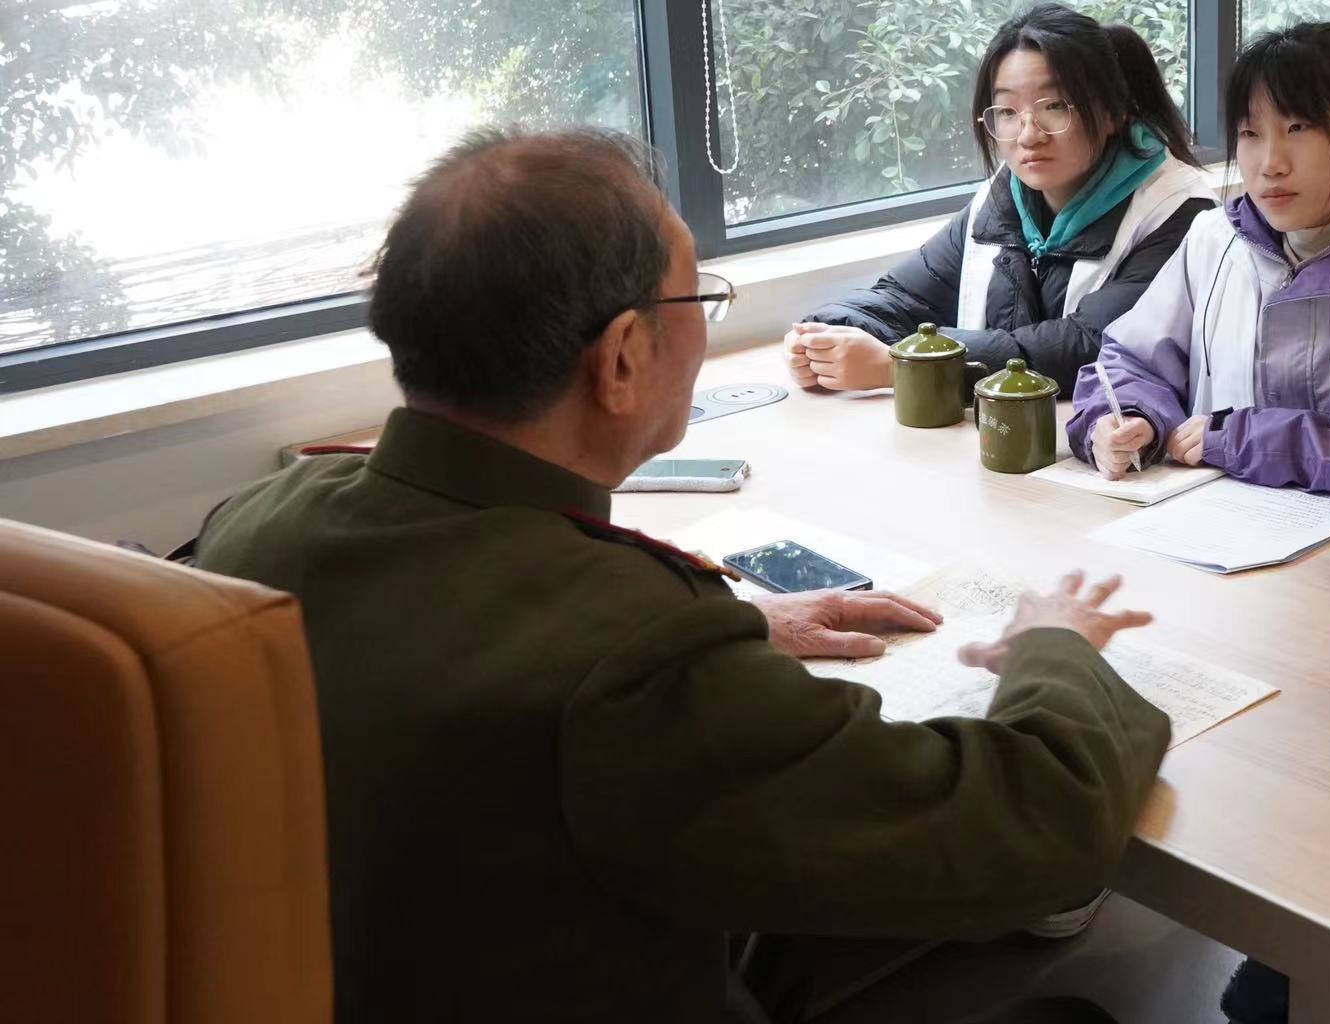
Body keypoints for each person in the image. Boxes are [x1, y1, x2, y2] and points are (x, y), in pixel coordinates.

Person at [189, 127, 1170, 1024]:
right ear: (621, 356)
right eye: (697, 299)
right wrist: (1054, 648)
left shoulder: (257, 527)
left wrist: (739, 628)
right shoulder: (634, 655)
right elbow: (1029, 827)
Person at [1066, 21, 1330, 497]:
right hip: (1207, 523)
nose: (1270, 163)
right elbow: (1129, 362)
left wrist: (1256, 441)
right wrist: (1126, 418)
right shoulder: (1213, 241)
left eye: (1297, 129)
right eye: (1250, 133)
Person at [788, 3, 1217, 393]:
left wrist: (905, 367)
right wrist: (824, 334)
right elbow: (904, 298)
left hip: (1106, 443)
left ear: (1112, 113)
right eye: (1008, 112)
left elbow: (1088, 345)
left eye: (1055, 106)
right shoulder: (1003, 200)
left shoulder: (1180, 213)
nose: (1028, 135)